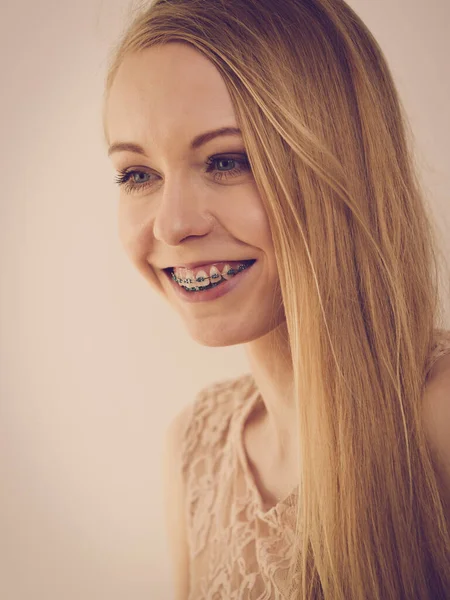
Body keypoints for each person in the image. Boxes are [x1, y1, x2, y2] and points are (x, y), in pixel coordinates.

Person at [102, 0, 450, 597]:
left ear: (341, 163)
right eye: (138, 174)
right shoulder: (192, 450)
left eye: (227, 160)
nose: (171, 224)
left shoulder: (438, 419)